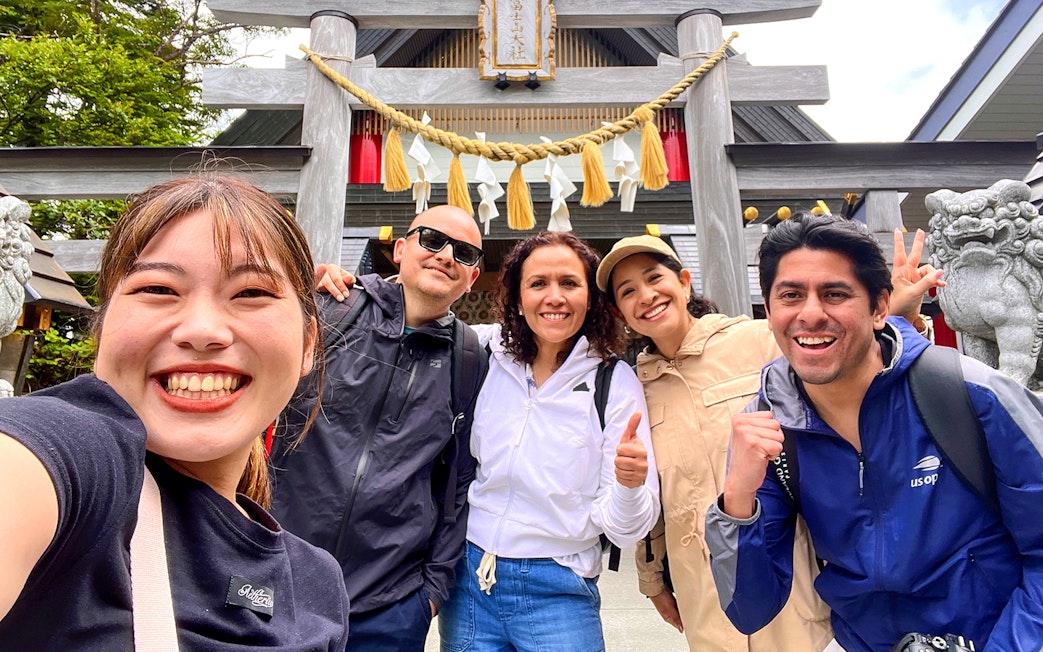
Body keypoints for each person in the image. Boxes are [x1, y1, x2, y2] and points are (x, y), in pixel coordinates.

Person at [0, 176, 349, 648]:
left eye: (251, 294)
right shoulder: (78, 462)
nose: (202, 330)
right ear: (102, 330)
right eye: (159, 289)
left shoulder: (316, 583)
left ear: (309, 343)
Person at [705, 213, 1043, 651]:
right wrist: (737, 499)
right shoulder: (770, 431)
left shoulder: (971, 394)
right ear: (768, 312)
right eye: (790, 295)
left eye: (835, 294)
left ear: (880, 307)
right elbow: (750, 609)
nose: (810, 313)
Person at [595, 227, 940, 651]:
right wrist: (652, 579)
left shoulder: (759, 341)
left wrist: (897, 320)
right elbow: (653, 495)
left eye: (654, 278)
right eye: (627, 291)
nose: (645, 296)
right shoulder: (636, 386)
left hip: (788, 570)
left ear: (684, 282)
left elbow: (857, 377)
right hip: (699, 588)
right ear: (619, 312)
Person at [269, 204, 488, 651]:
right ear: (402, 249)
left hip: (391, 602)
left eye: (464, 253)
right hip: (275, 571)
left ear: (472, 278)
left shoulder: (468, 359)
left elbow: (457, 480)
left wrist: (430, 593)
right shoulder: (330, 308)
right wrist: (285, 287)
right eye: (432, 240)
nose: (446, 255)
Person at [436, 231, 660, 652]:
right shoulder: (485, 353)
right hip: (468, 580)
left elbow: (626, 529)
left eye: (569, 283)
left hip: (558, 587)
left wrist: (630, 485)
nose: (554, 296)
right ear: (518, 299)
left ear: (590, 299)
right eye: (538, 284)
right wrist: (356, 289)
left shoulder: (612, 382)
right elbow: (419, 313)